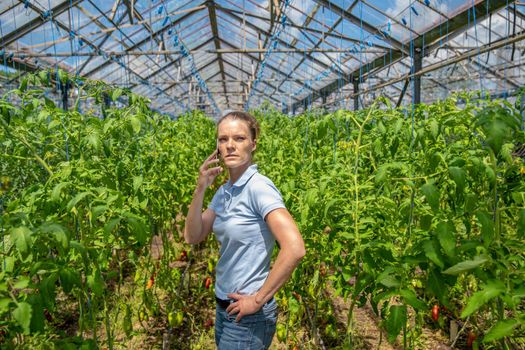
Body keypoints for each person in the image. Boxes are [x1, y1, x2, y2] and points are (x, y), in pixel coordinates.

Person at [184, 111, 305, 349]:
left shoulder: (258, 188)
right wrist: (200, 189)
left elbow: (295, 248)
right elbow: (192, 236)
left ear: (253, 144)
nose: (230, 146)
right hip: (225, 308)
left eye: (239, 138)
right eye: (223, 139)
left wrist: (258, 300)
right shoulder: (224, 192)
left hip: (248, 316)